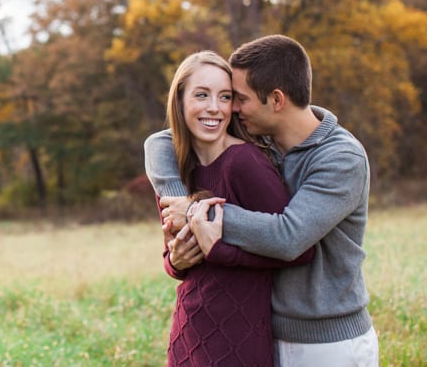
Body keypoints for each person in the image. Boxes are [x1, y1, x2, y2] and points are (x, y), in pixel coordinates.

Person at [146, 35, 379, 367]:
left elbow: (288, 238)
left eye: (237, 98)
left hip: (328, 341)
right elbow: (163, 139)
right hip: (269, 331)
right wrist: (178, 249)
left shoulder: (341, 157)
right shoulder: (265, 141)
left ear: (276, 100)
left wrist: (200, 214)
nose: (231, 109)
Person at [152, 50, 314, 367]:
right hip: (188, 333)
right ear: (180, 101)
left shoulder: (244, 162)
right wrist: (174, 262)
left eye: (225, 97)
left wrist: (221, 251)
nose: (214, 107)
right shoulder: (178, 168)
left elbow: (299, 251)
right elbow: (176, 259)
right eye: (202, 95)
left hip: (239, 342)